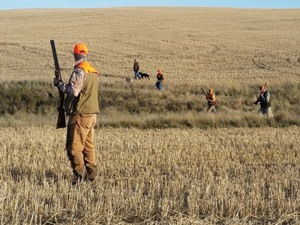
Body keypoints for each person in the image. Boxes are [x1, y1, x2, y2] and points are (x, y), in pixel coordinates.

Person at [54, 43, 100, 185]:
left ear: (75, 54)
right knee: (88, 146)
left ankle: (80, 176)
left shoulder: (80, 71)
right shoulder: (93, 70)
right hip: (91, 115)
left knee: (73, 148)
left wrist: (59, 84)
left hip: (80, 114)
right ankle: (91, 175)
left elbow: (73, 91)